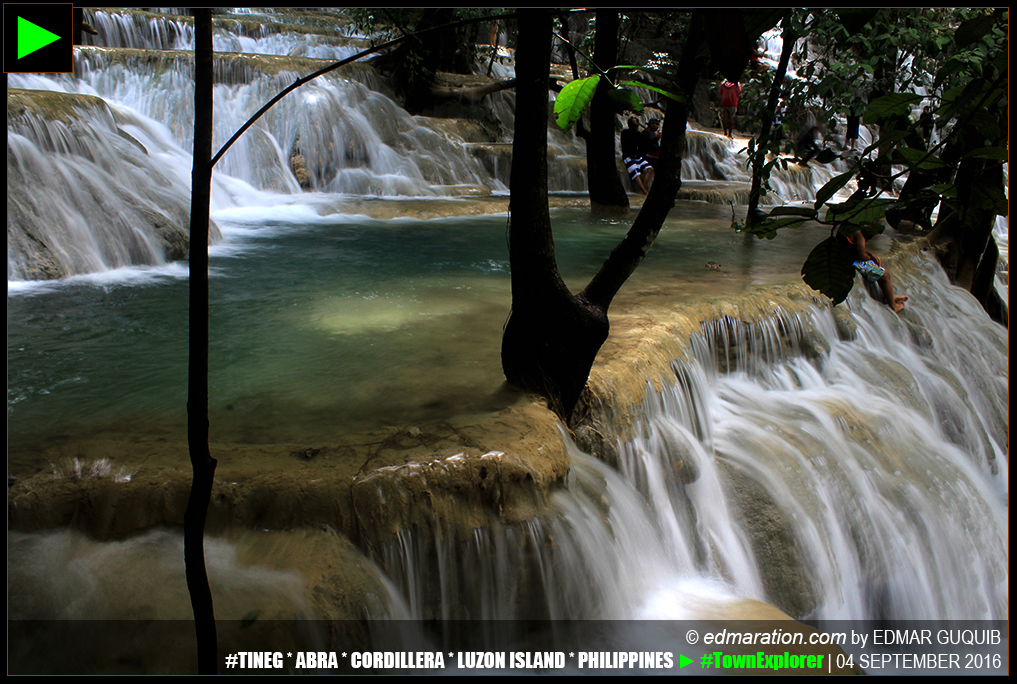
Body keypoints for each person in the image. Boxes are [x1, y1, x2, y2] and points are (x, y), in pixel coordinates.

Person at [846, 231, 908, 312]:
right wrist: (872, 259)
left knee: (879, 266)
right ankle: (893, 305)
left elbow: (853, 248)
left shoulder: (843, 230)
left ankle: (889, 296)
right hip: (854, 262)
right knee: (885, 275)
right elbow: (862, 256)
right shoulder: (858, 233)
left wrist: (871, 254)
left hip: (846, 259)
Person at [620, 117, 653, 195]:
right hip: (628, 157)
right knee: (635, 173)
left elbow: (644, 143)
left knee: (650, 169)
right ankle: (644, 191)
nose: (638, 123)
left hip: (637, 157)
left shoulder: (638, 134)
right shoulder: (625, 133)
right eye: (636, 122)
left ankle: (642, 189)